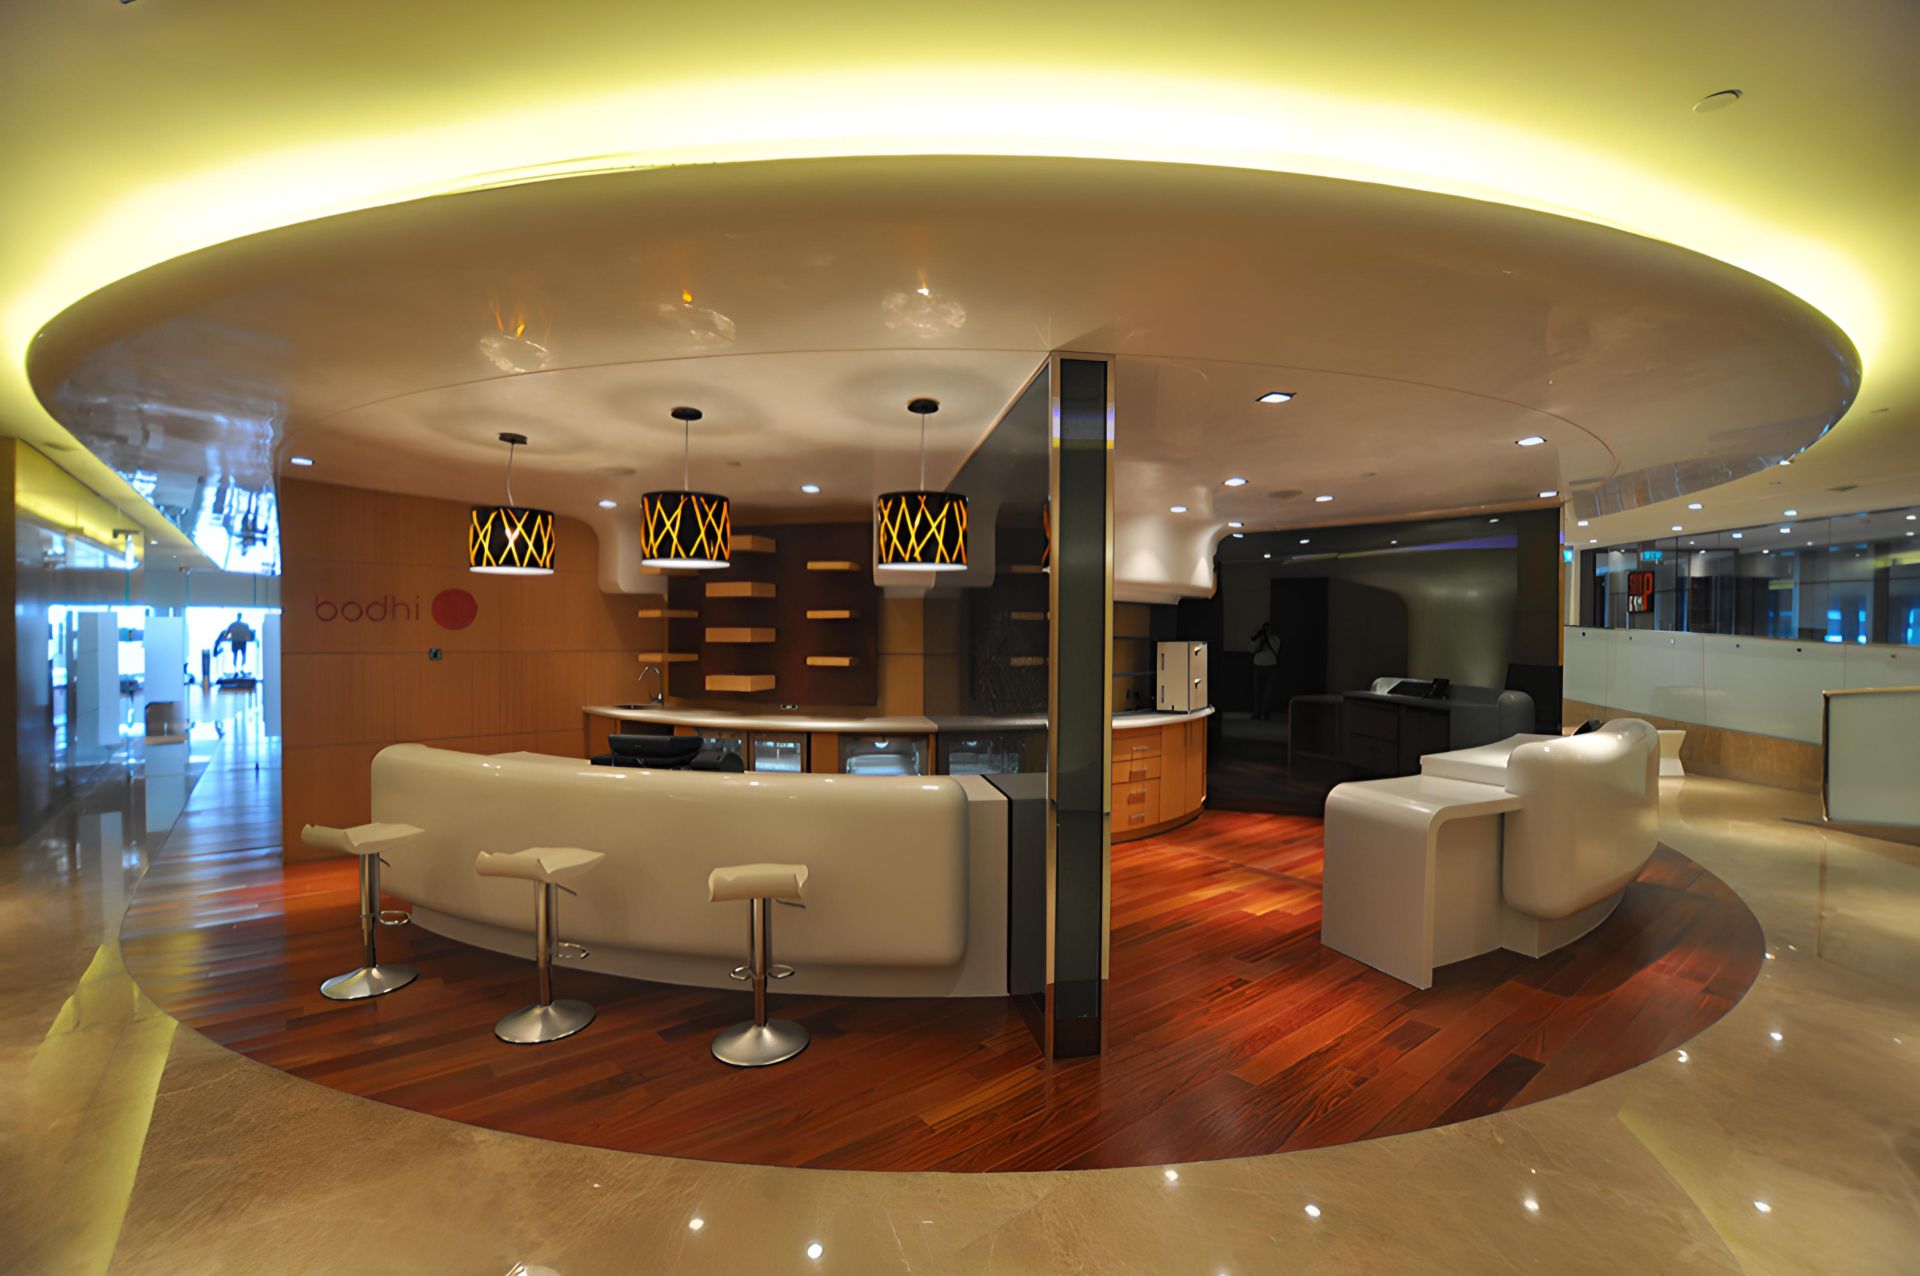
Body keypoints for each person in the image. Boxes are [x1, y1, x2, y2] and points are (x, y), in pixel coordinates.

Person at [1250, 621, 1280, 720]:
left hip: (1270, 667)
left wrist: (1267, 638)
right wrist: (1259, 639)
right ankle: (1257, 713)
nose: (1267, 631)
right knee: (1257, 691)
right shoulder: (1258, 638)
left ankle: (1265, 713)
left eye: (1269, 630)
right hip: (1257, 666)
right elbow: (1251, 649)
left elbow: (1276, 649)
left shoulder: (1275, 639)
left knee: (1268, 692)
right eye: (1265, 629)